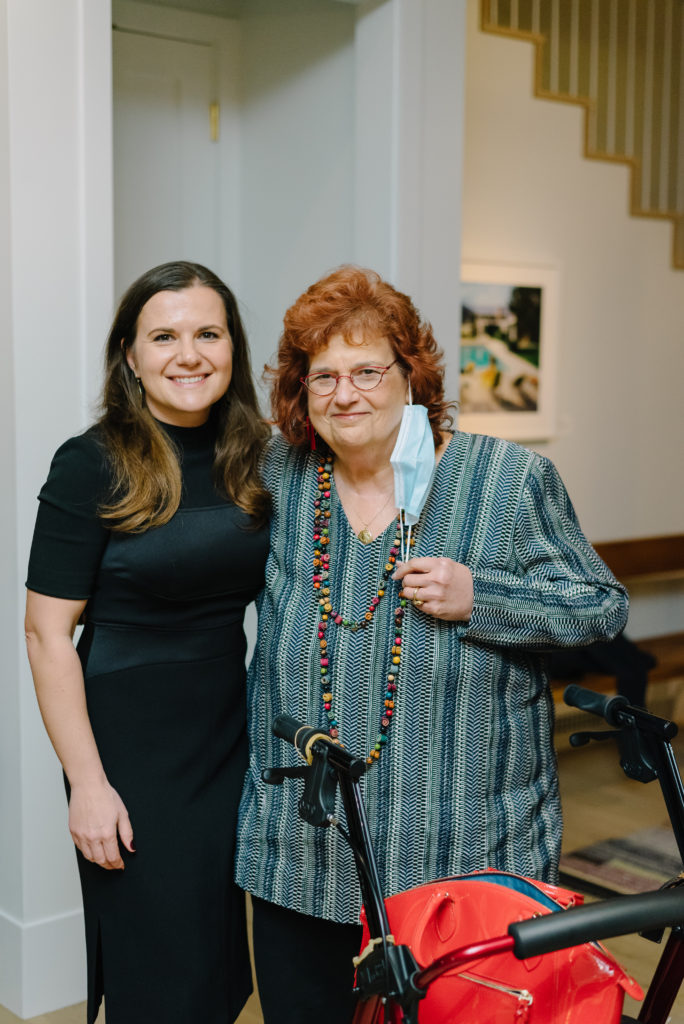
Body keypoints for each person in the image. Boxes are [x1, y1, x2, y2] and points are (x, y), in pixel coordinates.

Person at [235, 265, 629, 1024]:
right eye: (322, 376)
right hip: (300, 852)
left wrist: (483, 597)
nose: (344, 394)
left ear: (410, 374)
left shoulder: (506, 480)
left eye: (366, 370)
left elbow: (600, 607)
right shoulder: (280, 474)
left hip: (458, 859)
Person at [25, 261, 270, 1024]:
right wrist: (88, 785)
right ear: (130, 355)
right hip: (128, 755)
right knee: (156, 970)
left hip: (228, 738)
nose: (188, 354)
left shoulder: (260, 457)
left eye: (208, 332)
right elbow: (46, 634)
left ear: (233, 346)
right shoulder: (91, 462)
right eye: (163, 336)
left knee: (218, 963)